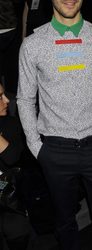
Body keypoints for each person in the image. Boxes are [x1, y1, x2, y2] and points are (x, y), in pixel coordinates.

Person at [16, 0, 92, 250]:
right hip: (55, 151)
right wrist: (37, 147)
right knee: (64, 223)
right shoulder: (33, 44)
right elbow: (25, 98)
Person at [0, 83, 31, 250]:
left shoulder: (11, 124)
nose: (7, 100)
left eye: (5, 94)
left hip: (8, 200)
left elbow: (12, 157)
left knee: (18, 231)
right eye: (0, 97)